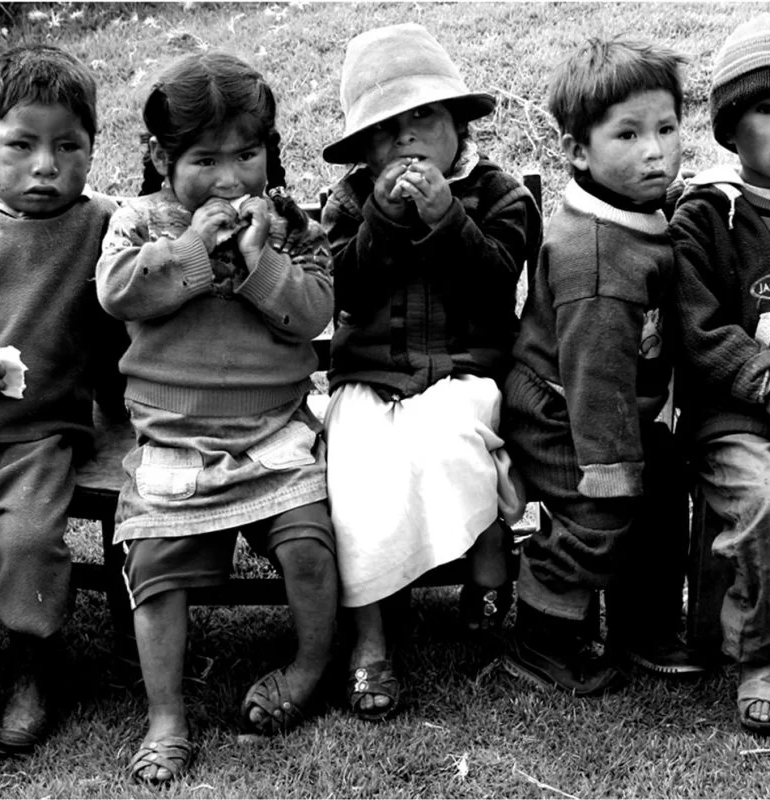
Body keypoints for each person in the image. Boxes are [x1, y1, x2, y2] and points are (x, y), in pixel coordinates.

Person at [96, 52, 337, 785]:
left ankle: (308, 668)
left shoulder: (289, 225)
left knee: (311, 548)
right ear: (159, 158)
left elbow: (315, 312)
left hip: (274, 434)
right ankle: (166, 715)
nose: (230, 178)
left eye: (246, 155)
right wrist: (194, 247)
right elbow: (119, 293)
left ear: (269, 150)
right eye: (204, 160)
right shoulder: (140, 222)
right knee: (155, 571)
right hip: (174, 439)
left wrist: (262, 260)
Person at [321, 22, 540, 721]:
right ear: (364, 149)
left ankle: (483, 551)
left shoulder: (502, 195)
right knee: (354, 468)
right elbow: (342, 292)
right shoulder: (348, 204)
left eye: (424, 118)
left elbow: (496, 284)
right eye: (385, 131)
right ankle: (371, 638)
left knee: (449, 439)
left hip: (465, 374)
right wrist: (383, 221)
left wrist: (447, 218)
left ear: (458, 123)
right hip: (368, 377)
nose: (406, 138)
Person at [502, 36, 706, 697]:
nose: (656, 151)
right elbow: (595, 377)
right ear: (578, 151)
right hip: (562, 412)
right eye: (629, 134)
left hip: (609, 404)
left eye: (667, 128)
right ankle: (541, 638)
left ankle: (642, 626)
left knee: (663, 476)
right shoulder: (596, 261)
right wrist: (611, 470)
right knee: (599, 516)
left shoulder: (632, 206)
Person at [0, 44, 122, 753]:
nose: (45, 166)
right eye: (21, 145)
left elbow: (132, 303)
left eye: (68, 146)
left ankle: (37, 663)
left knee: (31, 541)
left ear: (92, 149)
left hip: (40, 437)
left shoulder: (102, 225)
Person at [669, 13, 770, 732]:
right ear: (732, 129)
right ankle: (761, 654)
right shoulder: (706, 216)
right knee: (766, 499)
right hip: (734, 418)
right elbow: (699, 333)